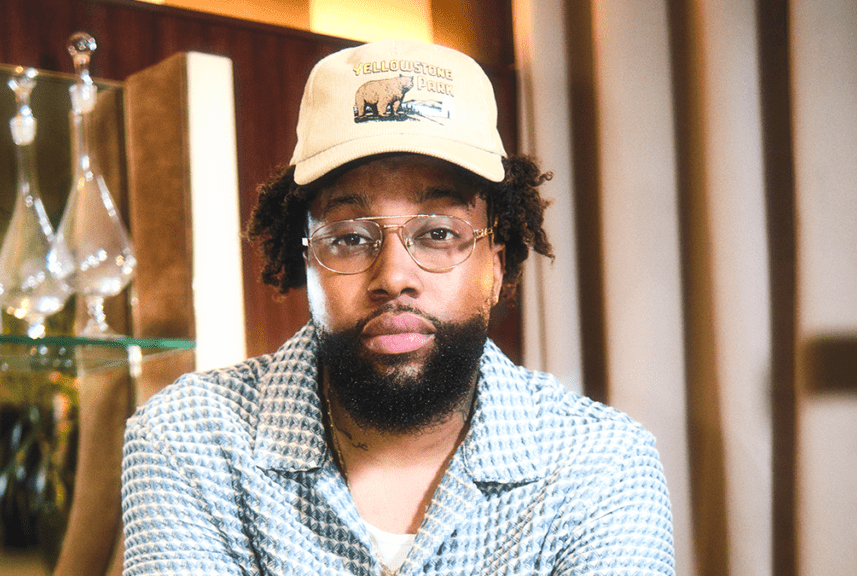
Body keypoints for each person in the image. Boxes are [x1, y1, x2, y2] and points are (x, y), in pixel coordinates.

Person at [121, 39, 674, 575]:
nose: (393, 277)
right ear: (306, 259)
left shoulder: (601, 462)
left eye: (438, 233)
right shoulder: (189, 440)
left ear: (497, 265)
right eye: (350, 238)